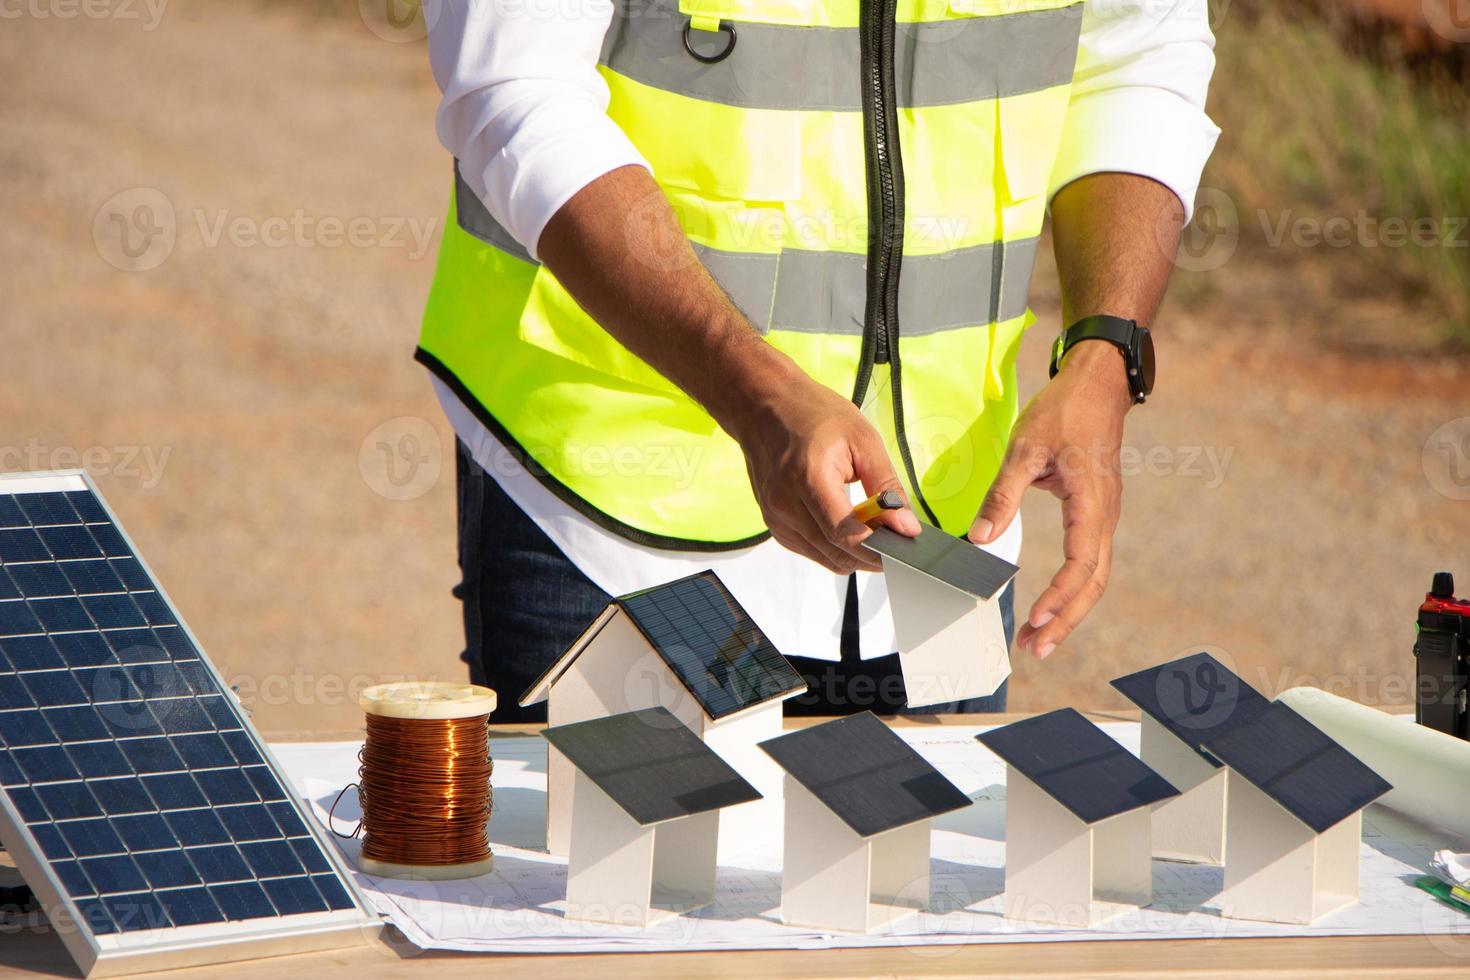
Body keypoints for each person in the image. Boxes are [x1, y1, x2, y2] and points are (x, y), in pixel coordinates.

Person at [419, 0, 1219, 720]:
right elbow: (514, 89)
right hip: (618, 515)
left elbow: (1137, 56)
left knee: (912, 879)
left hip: (937, 525)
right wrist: (752, 393)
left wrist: (1106, 352)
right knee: (612, 878)